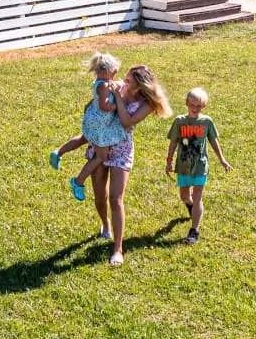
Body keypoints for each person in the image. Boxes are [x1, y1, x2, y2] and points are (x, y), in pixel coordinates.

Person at [102, 64, 171, 266]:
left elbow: (127, 122)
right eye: (125, 77)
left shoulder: (147, 103)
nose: (124, 80)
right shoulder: (118, 86)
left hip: (122, 149)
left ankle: (118, 249)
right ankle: (105, 225)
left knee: (116, 198)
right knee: (99, 196)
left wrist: (118, 99)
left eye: (129, 79)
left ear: (139, 85)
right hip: (101, 143)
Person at [49, 53, 125, 213]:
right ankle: (78, 181)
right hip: (100, 125)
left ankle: (58, 152)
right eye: (114, 73)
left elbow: (98, 99)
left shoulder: (98, 82)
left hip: (92, 120)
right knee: (102, 156)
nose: (115, 77)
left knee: (84, 138)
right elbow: (105, 106)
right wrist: (117, 106)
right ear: (106, 72)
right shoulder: (104, 86)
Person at [163, 86, 230, 244]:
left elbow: (213, 141)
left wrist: (222, 160)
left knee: (198, 196)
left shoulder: (206, 122)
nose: (195, 108)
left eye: (198, 106)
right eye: (192, 105)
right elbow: (173, 142)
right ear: (186, 103)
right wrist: (169, 161)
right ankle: (191, 207)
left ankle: (194, 231)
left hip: (200, 165)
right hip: (184, 166)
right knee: (185, 196)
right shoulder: (180, 121)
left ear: (204, 106)